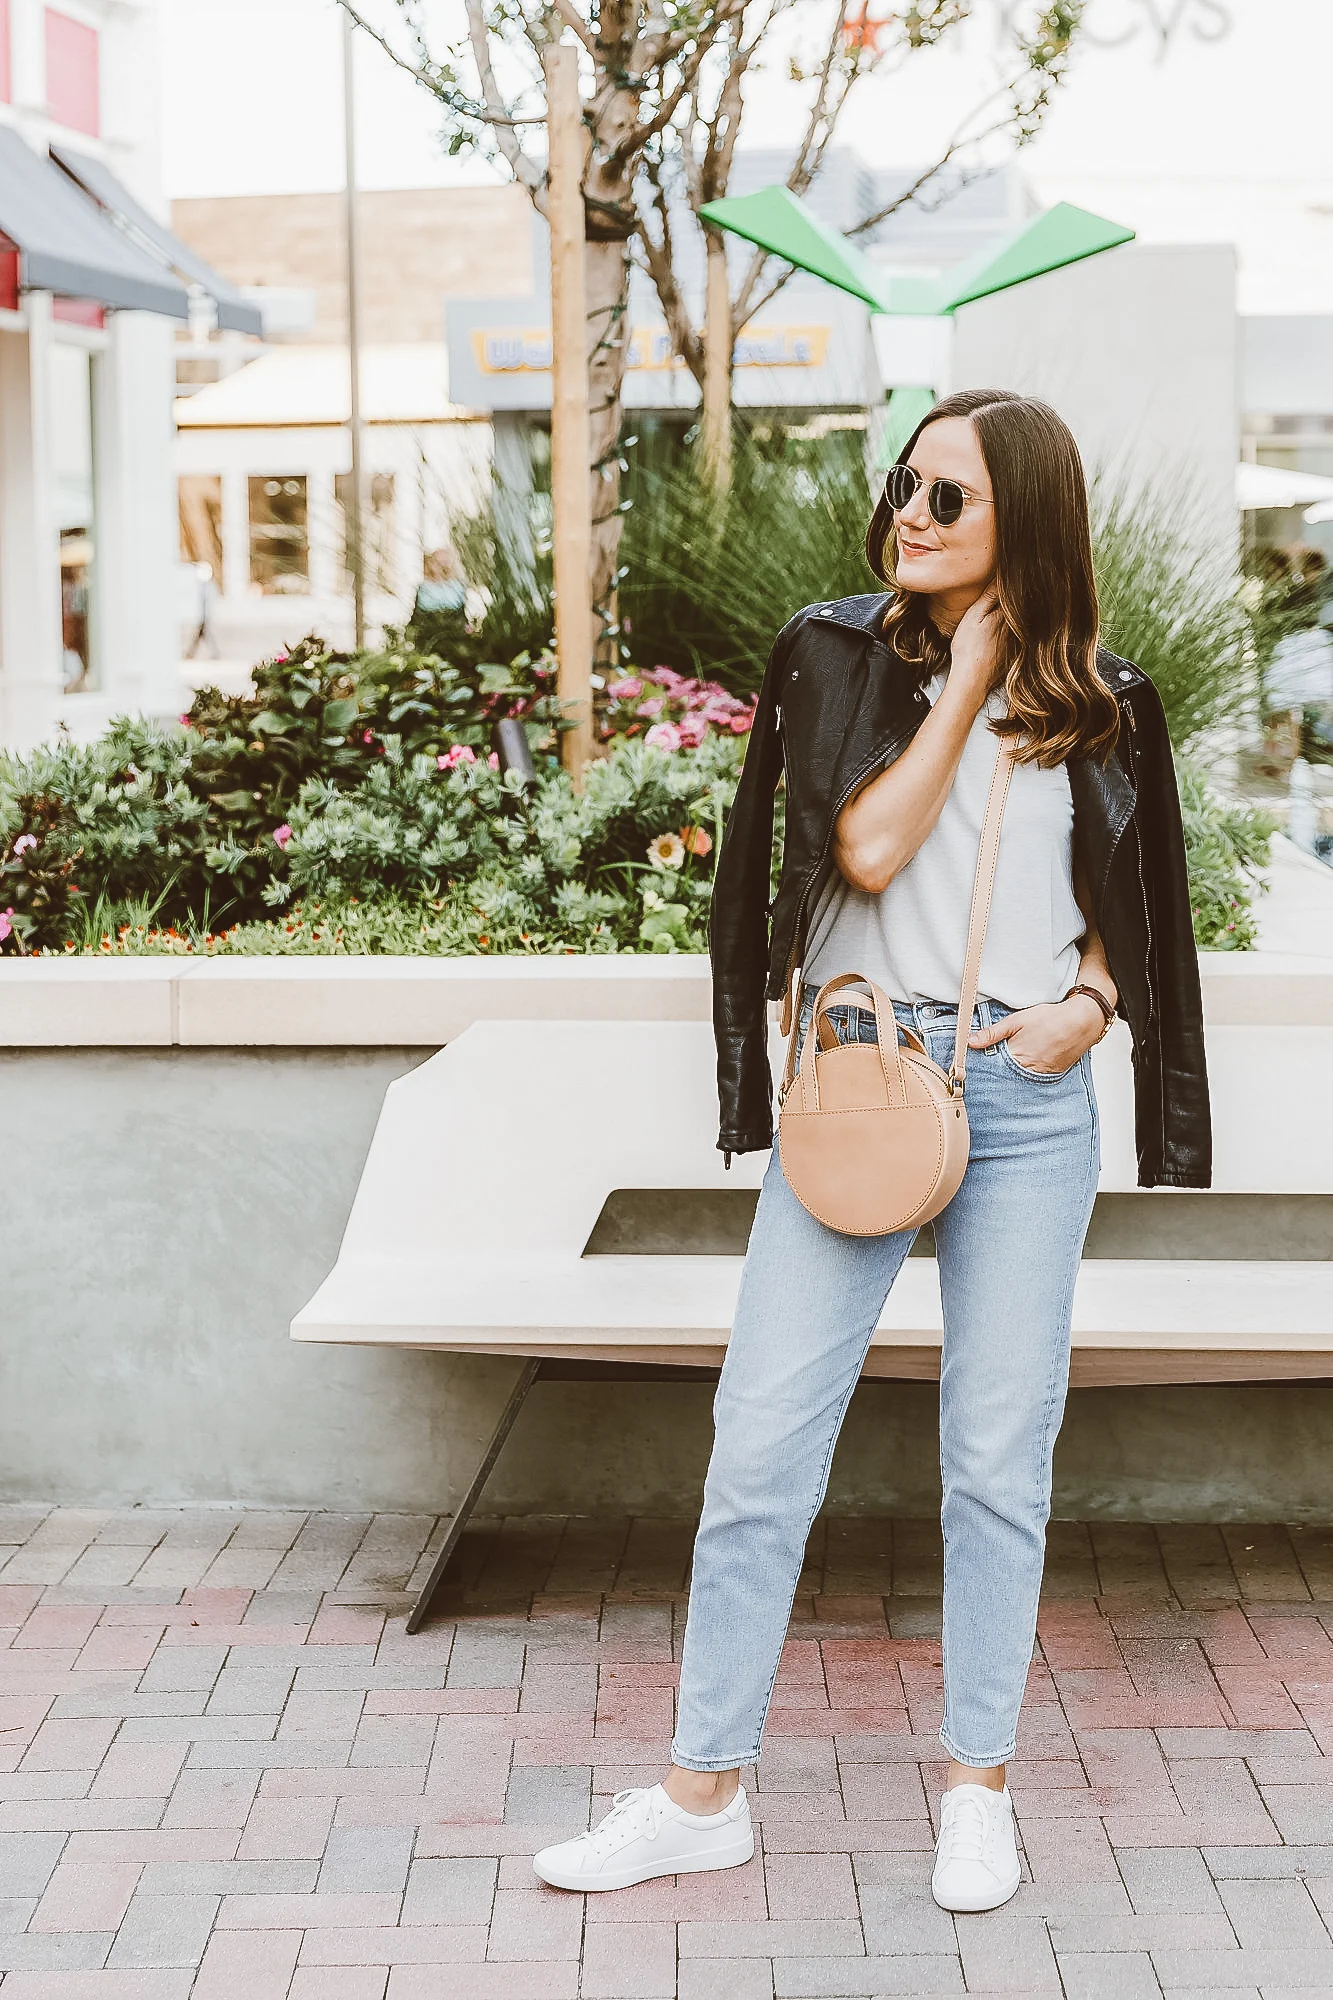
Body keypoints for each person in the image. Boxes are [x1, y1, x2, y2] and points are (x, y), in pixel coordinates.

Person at [531, 389, 1211, 1911]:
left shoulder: (1108, 697)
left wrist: (1089, 1008)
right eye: (906, 484)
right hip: (858, 1077)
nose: (910, 511)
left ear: (1025, 517)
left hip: (1025, 1100)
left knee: (994, 1459)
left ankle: (978, 1786)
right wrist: (969, 670)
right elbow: (867, 849)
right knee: (763, 1444)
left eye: (950, 497)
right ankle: (703, 1791)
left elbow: (1135, 904)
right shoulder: (834, 654)